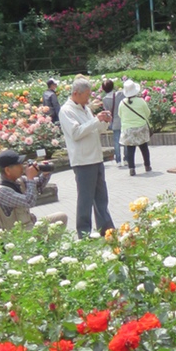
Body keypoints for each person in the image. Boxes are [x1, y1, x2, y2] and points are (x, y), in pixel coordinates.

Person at [59, 77, 115, 238]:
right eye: (86, 95)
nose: (88, 99)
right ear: (76, 93)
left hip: (96, 158)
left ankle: (106, 229)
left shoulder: (85, 108)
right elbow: (76, 133)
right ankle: (83, 233)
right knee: (85, 199)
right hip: (83, 161)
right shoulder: (66, 110)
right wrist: (96, 120)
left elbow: (94, 129)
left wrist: (104, 121)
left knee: (101, 198)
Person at [0, 149, 67, 232]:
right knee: (55, 224)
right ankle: (46, 244)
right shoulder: (1, 191)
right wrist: (30, 178)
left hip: (30, 225)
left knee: (61, 217)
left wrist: (45, 173)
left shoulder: (18, 180)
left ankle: (48, 244)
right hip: (19, 235)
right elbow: (30, 201)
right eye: (19, 164)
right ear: (8, 170)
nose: (23, 166)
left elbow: (38, 186)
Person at [119, 79, 152, 177]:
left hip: (128, 129)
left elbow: (120, 115)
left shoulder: (122, 103)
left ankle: (132, 168)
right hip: (141, 127)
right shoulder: (141, 101)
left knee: (130, 149)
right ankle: (147, 165)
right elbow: (147, 113)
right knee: (144, 148)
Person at [102, 79, 127, 167]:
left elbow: (107, 111)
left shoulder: (105, 100)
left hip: (114, 122)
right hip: (123, 120)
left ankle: (118, 161)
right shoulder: (120, 94)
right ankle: (126, 159)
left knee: (116, 142)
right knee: (125, 141)